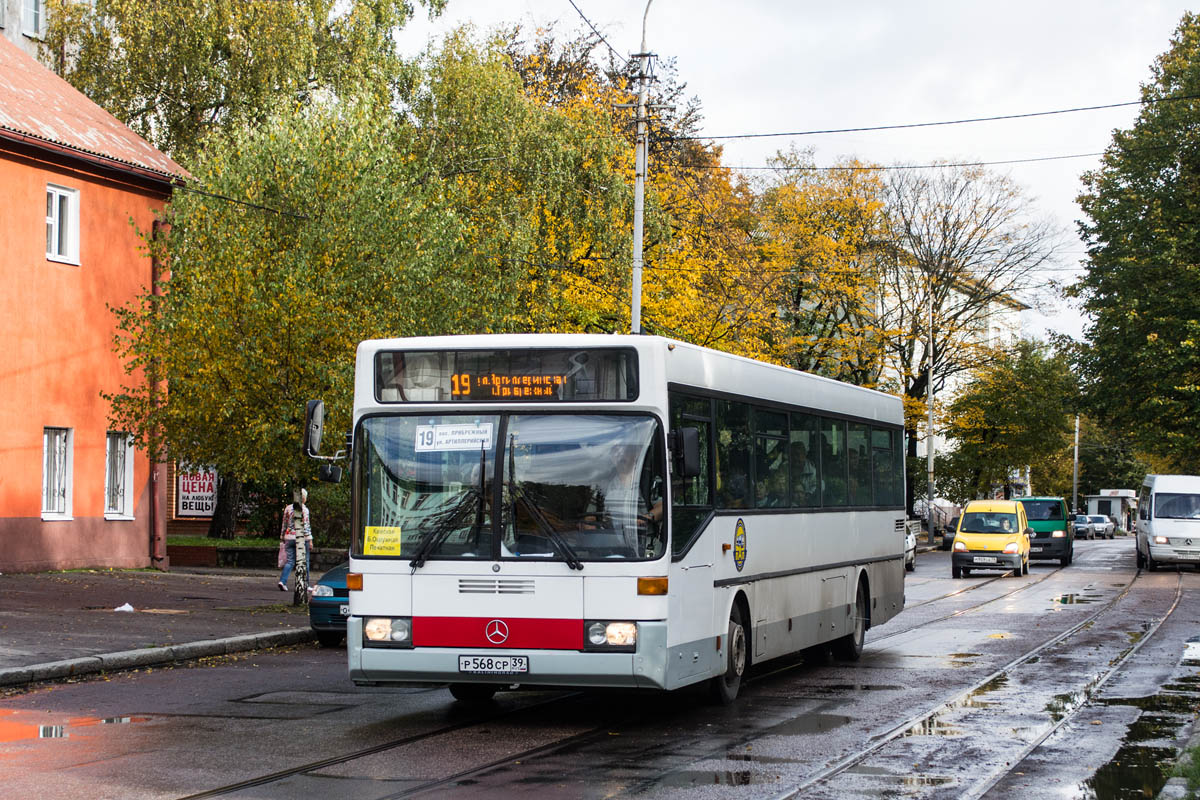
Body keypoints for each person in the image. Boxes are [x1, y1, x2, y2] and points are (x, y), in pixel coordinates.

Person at [278, 488, 312, 591]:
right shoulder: (304, 510)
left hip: (288, 537)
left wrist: (282, 536)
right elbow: (306, 525)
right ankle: (305, 584)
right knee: (304, 562)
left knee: (290, 561)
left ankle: (282, 581)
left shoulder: (288, 508)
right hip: (301, 538)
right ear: (304, 498)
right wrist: (310, 540)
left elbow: (284, 523)